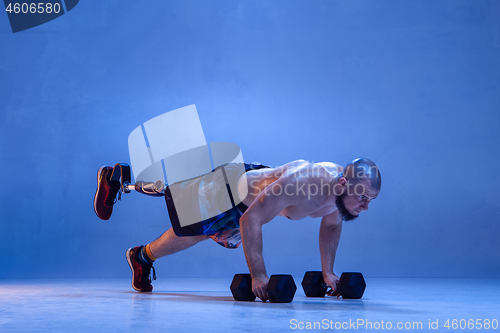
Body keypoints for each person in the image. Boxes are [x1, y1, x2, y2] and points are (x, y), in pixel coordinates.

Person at [93, 158, 381, 301]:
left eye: (371, 201)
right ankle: (118, 179)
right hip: (230, 190)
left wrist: (328, 272)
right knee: (175, 195)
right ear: (343, 185)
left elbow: (331, 226)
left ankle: (141, 257)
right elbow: (250, 221)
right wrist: (259, 276)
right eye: (363, 198)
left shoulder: (340, 200)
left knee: (193, 232)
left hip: (248, 205)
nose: (365, 207)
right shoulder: (305, 183)